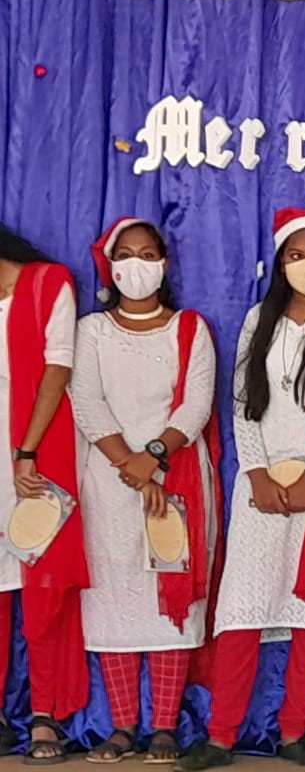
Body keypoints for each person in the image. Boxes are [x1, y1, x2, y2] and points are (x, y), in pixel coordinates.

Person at [177, 209, 305, 772]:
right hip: (262, 478)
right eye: (296, 255)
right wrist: (257, 472)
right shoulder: (258, 319)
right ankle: (220, 737)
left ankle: (295, 732)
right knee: (241, 608)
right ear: (280, 262)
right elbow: (244, 401)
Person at [70, 218, 221, 764]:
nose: (137, 264)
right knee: (112, 599)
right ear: (110, 267)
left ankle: (164, 727)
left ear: (165, 263)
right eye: (126, 254)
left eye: (148, 254)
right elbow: (86, 401)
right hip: (108, 483)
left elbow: (197, 404)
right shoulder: (92, 330)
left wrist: (153, 459)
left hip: (176, 476)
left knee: (168, 602)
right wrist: (129, 465)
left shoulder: (190, 329)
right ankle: (121, 726)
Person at [0, 226, 90, 765]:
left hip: (32, 455)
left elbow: (59, 368)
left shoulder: (47, 284)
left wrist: (26, 450)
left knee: (44, 587)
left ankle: (45, 714)